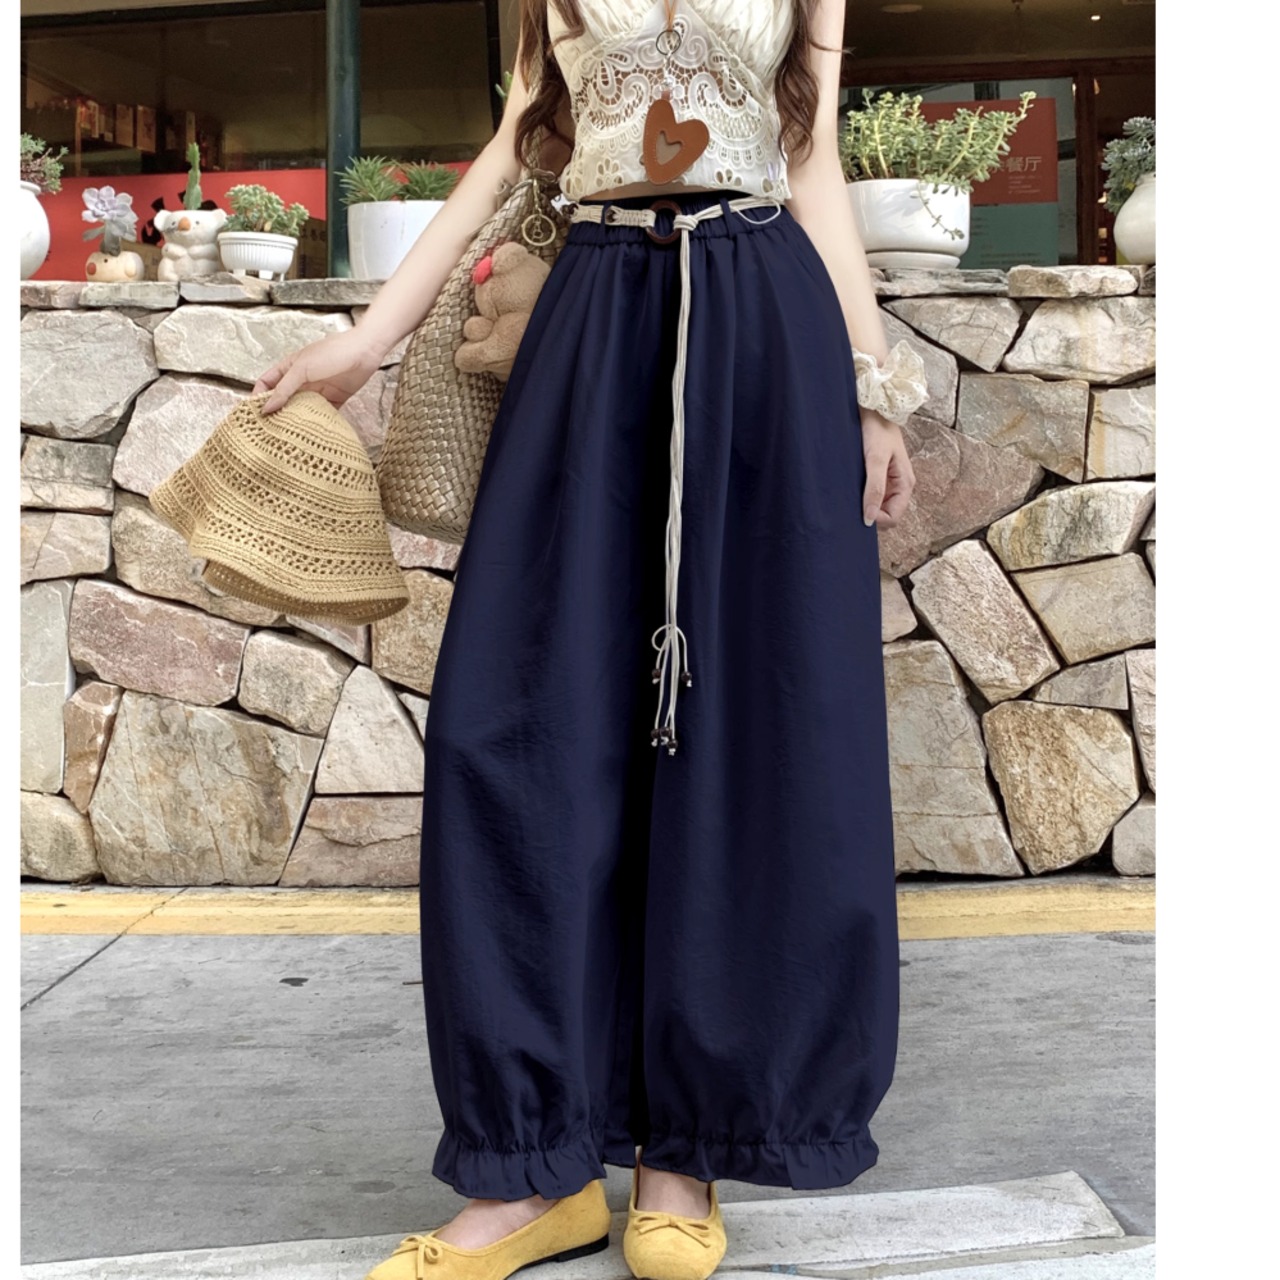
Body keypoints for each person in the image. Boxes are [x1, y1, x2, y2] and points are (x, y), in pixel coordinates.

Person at [254, 2, 918, 1277]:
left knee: (751, 734)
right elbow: (515, 143)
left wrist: (872, 390)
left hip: (765, 329)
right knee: (514, 725)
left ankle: (687, 1148)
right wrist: (365, 341)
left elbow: (811, 157)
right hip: (593, 319)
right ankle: (528, 1167)